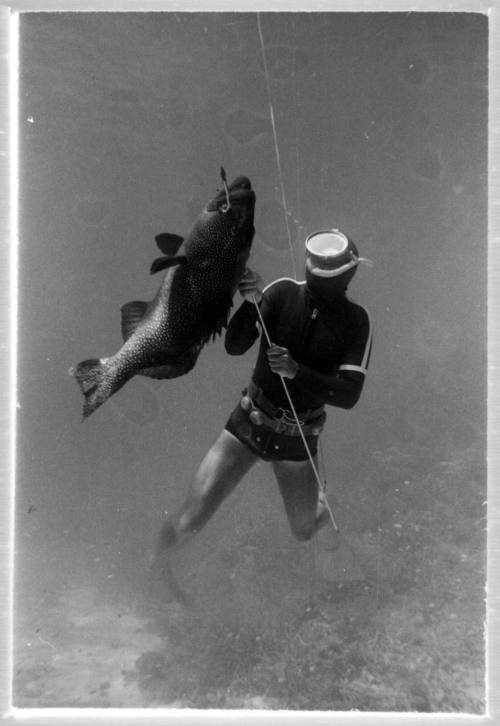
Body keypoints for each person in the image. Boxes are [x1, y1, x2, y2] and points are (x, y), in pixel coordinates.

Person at [154, 229, 373, 593]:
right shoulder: (282, 292)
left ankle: (320, 502)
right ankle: (156, 568)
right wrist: (251, 303)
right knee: (189, 519)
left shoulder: (356, 322)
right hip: (247, 423)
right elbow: (235, 345)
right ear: (352, 271)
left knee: (303, 531)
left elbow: (349, 395)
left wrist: (296, 372)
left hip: (296, 439)